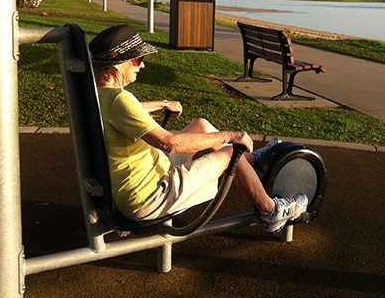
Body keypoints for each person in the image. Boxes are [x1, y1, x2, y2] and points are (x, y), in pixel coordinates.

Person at [89, 24, 307, 233]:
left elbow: (132, 110)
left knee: (201, 125)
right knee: (230, 151)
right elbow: (170, 143)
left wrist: (164, 104)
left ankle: (249, 160)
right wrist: (231, 136)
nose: (142, 65)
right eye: (138, 59)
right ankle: (272, 212)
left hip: (141, 180)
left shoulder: (99, 94)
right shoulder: (120, 100)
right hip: (149, 197)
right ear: (117, 63)